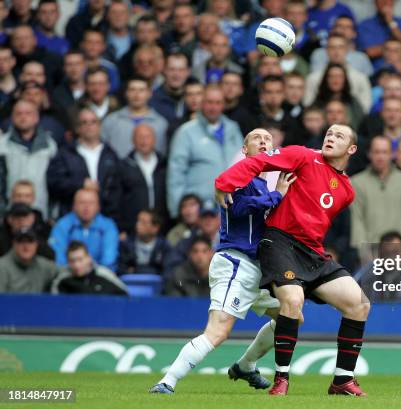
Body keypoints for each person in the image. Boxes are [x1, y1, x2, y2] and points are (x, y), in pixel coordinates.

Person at [214, 124, 370, 396]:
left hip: (311, 251)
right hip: (279, 242)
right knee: (293, 301)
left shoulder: (347, 191)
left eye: (339, 136)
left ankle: (342, 381)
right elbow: (260, 161)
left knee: (359, 304)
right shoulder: (302, 155)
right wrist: (224, 183)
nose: (330, 137)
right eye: (329, 133)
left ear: (352, 149)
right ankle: (281, 380)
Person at [151, 128, 295, 394]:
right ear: (244, 149)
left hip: (258, 266)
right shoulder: (238, 175)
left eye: (268, 140)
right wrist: (277, 197)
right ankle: (166, 382)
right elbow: (237, 208)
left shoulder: (266, 185)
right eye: (256, 138)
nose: (263, 142)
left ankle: (246, 365)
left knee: (289, 315)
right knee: (218, 331)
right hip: (235, 263)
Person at [167, 84, 243, 218]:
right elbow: (176, 173)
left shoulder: (234, 129)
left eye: (218, 103)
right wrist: (177, 210)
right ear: (202, 103)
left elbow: (244, 165)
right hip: (198, 211)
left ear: (223, 105)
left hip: (231, 209)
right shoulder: (186, 132)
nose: (213, 107)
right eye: (209, 102)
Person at [350, 136, 401, 261]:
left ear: (392, 154)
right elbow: (357, 220)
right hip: (370, 253)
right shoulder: (356, 182)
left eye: (384, 152)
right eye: (376, 152)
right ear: (369, 154)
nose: (380, 157)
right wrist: (364, 253)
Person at [46, 107, 120, 219]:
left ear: (99, 126)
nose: (89, 126)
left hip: (105, 218)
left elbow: (118, 188)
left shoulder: (110, 154)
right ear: (77, 128)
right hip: (72, 218)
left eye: (93, 122)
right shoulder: (65, 154)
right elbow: (54, 182)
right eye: (84, 122)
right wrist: (80, 184)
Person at [0, 99, 57, 218]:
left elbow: (54, 185)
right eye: (19, 113)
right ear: (12, 117)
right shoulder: (2, 145)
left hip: (42, 213)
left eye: (28, 113)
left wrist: (53, 215)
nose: (23, 117)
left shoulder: (50, 146)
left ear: (36, 117)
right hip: (10, 214)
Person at [48, 188, 119, 271]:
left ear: (98, 207)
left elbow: (109, 259)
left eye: (91, 203)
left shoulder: (108, 226)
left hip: (100, 275)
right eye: (82, 203)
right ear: (74, 206)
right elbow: (58, 258)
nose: (86, 207)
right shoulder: (62, 225)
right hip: (69, 274)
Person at [116, 124, 168, 235]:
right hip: (132, 230)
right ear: (133, 141)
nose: (144, 141)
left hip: (162, 228)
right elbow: (116, 199)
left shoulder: (165, 165)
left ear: (154, 140)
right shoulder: (123, 166)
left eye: (147, 137)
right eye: (140, 137)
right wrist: (121, 228)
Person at [101, 77, 168, 159]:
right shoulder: (111, 120)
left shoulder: (161, 123)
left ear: (149, 93)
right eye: (132, 90)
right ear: (126, 93)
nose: (137, 94)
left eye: (141, 90)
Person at [51, 240, 127, 295]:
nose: (77, 265)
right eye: (72, 261)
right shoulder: (62, 280)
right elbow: (56, 304)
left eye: (80, 259)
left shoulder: (104, 274)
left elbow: (125, 295)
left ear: (89, 258)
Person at [357, 0, 401, 69]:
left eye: (388, 0)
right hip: (376, 73)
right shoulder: (365, 25)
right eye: (381, 0)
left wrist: (391, 23)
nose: (385, 3)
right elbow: (369, 52)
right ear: (375, 3)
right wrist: (396, 48)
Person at [0, 227, 58, 293]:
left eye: (30, 241)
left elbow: (65, 271)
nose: (26, 246)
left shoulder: (43, 265)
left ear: (36, 244)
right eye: (21, 241)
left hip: (37, 303)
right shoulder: (2, 266)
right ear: (14, 244)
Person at [118, 209, 174, 276]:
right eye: (138, 221)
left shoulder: (164, 246)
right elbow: (121, 269)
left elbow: (168, 271)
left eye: (143, 222)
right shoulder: (126, 244)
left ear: (155, 228)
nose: (137, 225)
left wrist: (136, 270)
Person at [149, 52, 191, 125]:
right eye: (172, 69)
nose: (176, 74)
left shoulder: (196, 98)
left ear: (188, 72)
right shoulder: (152, 100)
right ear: (164, 70)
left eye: (181, 70)